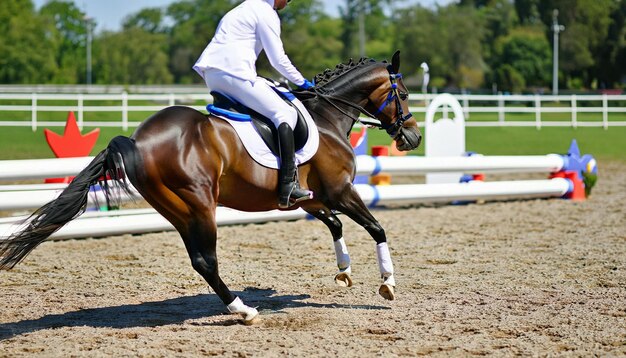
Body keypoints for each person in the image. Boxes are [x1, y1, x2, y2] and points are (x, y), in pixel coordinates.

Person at [193, 0, 314, 209]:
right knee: (285, 113)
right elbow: (278, 60)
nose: (289, 1)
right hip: (234, 73)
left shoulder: (242, 8)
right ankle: (288, 185)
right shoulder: (266, 12)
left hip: (213, 74)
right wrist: (303, 82)